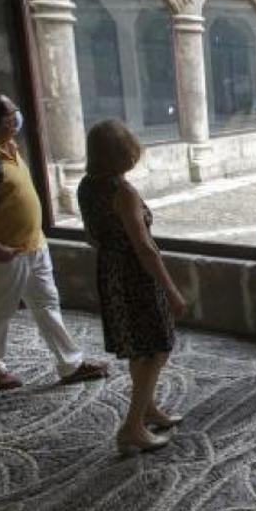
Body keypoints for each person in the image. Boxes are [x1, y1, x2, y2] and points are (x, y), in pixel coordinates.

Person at [0, 93, 108, 390]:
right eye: (12, 112)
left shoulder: (8, 147)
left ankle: (70, 363)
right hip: (3, 254)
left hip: (33, 246)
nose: (17, 115)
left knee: (47, 304)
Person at [77, 119, 188, 455]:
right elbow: (144, 247)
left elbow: (92, 236)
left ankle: (148, 408)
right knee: (158, 347)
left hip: (110, 271)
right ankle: (132, 428)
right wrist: (170, 289)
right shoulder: (122, 192)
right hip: (136, 276)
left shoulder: (87, 185)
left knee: (140, 346)